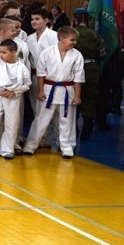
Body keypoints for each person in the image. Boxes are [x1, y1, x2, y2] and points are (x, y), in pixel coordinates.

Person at [25, 26, 85, 158]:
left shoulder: (77, 55)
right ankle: (31, 144)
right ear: (62, 39)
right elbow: (41, 74)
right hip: (48, 89)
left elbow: (78, 77)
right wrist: (40, 91)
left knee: (67, 120)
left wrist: (77, 96)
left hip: (67, 91)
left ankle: (66, 146)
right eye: (72, 40)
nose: (75, 42)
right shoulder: (47, 52)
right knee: (41, 119)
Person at [0, 40, 31, 160]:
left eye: (4, 52)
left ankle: (7, 150)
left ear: (14, 52)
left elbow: (27, 84)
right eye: (0, 52)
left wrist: (14, 92)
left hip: (13, 97)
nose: (1, 54)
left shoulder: (22, 67)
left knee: (11, 124)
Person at [72, 10, 105, 140]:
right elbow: (102, 53)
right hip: (91, 68)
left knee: (73, 96)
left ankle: (73, 128)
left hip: (73, 68)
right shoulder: (94, 35)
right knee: (90, 97)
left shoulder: (71, 34)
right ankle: (87, 129)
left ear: (75, 19)